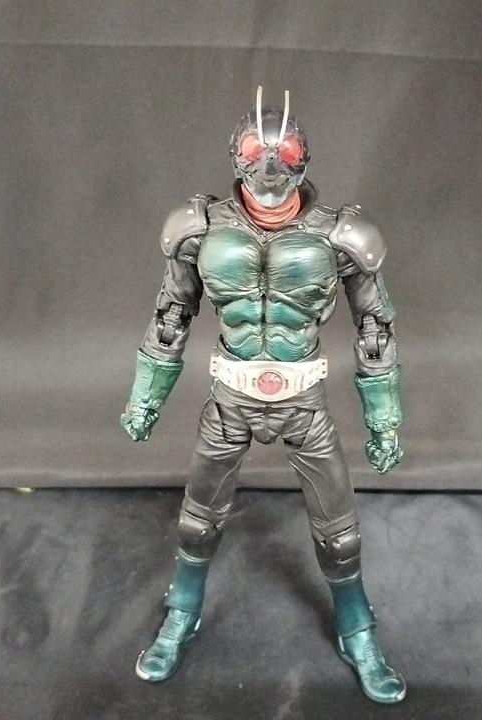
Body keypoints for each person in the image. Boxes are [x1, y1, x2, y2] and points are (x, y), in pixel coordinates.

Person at [121, 88, 406, 704]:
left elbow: (375, 327)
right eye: (257, 149)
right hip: (230, 398)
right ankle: (182, 610)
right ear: (236, 156)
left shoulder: (340, 236)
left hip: (304, 403)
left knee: (340, 534)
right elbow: (171, 315)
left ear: (306, 156)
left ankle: (356, 627)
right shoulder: (200, 229)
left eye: (287, 150)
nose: (272, 165)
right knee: (197, 523)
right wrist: (146, 397)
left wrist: (384, 420)